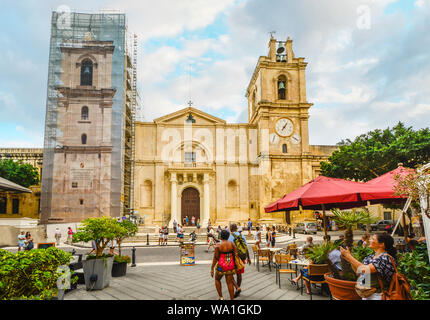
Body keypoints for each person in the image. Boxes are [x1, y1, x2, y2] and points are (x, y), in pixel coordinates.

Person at [340, 233, 398, 300]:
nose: (369, 240)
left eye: (373, 239)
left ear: (382, 244)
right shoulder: (370, 257)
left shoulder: (386, 258)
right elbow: (358, 272)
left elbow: (365, 269)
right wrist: (349, 259)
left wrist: (349, 256)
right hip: (367, 294)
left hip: (380, 295)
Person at [211, 230, 239, 300]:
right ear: (228, 236)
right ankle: (232, 299)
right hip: (230, 265)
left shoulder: (218, 245)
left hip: (221, 266)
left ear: (220, 236)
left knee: (217, 279)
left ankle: (221, 297)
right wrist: (236, 266)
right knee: (229, 283)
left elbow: (216, 258)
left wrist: (212, 268)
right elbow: (236, 255)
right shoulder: (232, 244)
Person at [228, 224, 251, 298]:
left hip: (234, 257)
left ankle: (237, 287)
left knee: (229, 274)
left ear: (231, 228)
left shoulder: (230, 236)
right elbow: (245, 247)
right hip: (242, 257)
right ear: (237, 228)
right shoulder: (242, 235)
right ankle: (238, 290)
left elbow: (228, 247)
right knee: (239, 274)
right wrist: (249, 257)